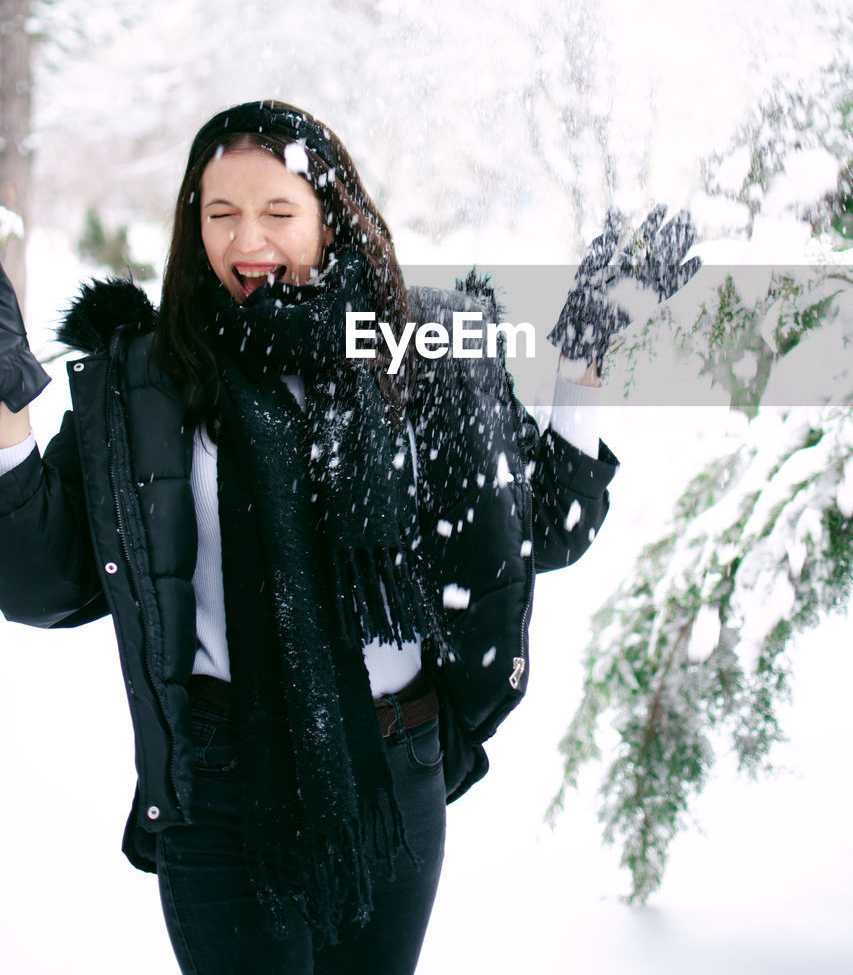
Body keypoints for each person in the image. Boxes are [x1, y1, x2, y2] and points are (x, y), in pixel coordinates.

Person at [0, 99, 686, 975]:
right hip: (218, 781)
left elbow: (544, 524)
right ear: (191, 225)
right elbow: (41, 581)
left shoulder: (423, 350)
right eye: (221, 214)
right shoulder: (150, 374)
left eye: (279, 212)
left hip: (393, 770)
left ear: (333, 218)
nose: (248, 240)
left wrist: (585, 354)